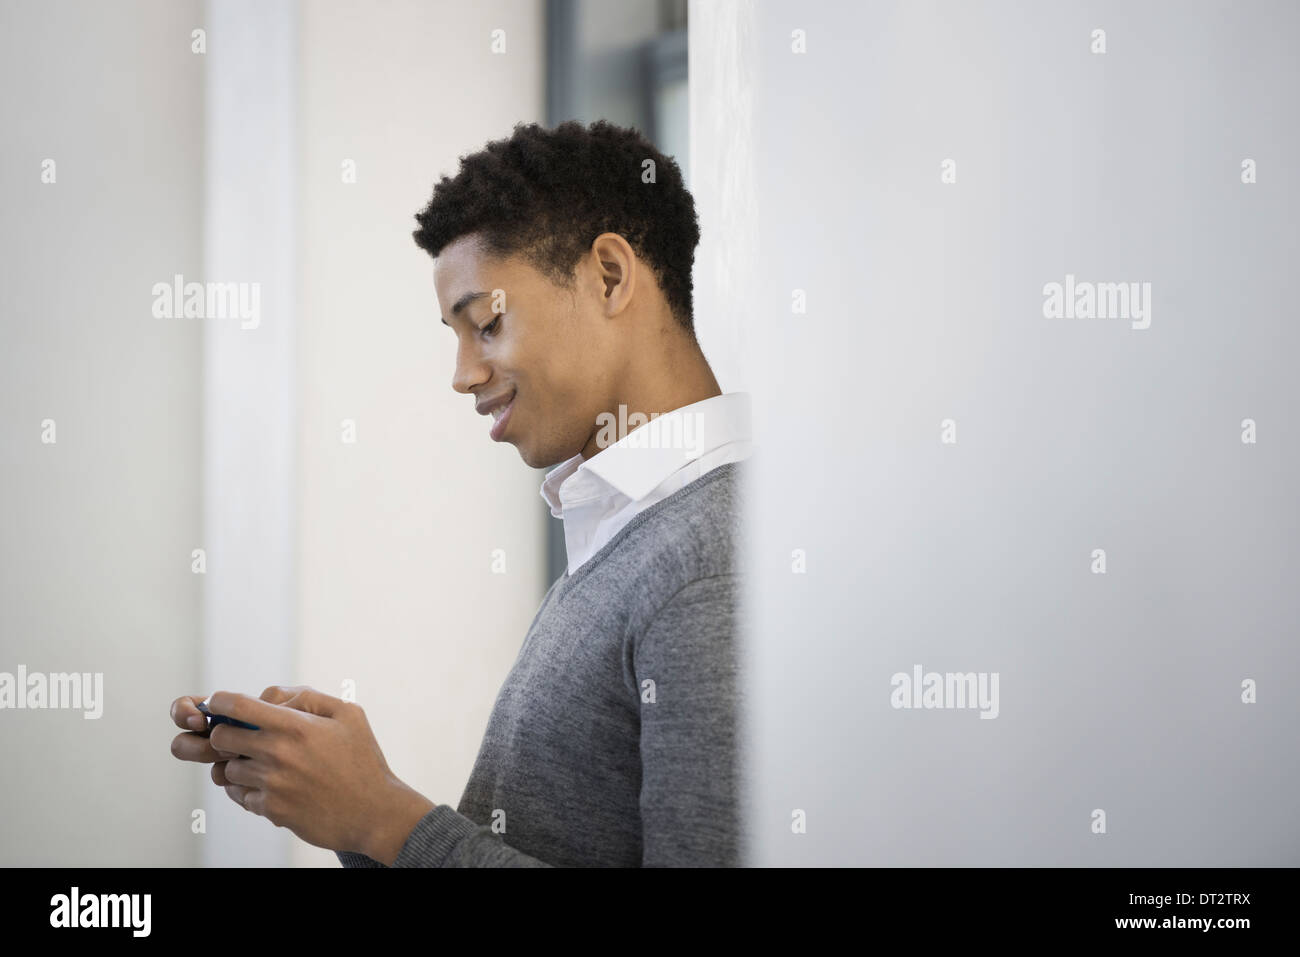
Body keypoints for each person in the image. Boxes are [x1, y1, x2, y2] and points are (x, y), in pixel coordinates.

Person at [168, 119, 751, 866]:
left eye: (487, 324)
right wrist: (356, 811)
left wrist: (385, 818)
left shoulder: (706, 563)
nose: (463, 372)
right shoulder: (627, 530)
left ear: (609, 274)